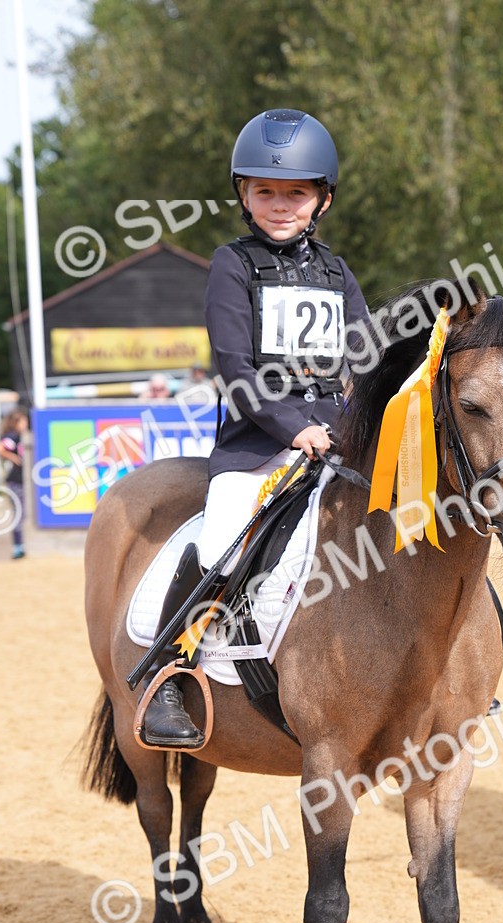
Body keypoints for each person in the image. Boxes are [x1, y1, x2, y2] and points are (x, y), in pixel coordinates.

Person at [139, 108, 370, 746]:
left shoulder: (336, 272)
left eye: (295, 192)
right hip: (257, 447)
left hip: (338, 442)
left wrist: (358, 420)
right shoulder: (232, 264)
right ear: (244, 194)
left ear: (322, 199)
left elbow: (364, 358)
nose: (279, 204)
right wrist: (295, 428)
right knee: (218, 543)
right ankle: (169, 673)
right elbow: (235, 367)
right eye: (264, 191)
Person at [0, 407, 29, 560]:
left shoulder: (18, 436)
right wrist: (12, 457)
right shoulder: (13, 436)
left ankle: (19, 546)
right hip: (15, 480)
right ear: (16, 422)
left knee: (20, 514)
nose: (26, 424)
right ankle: (17, 547)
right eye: (23, 421)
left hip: (18, 481)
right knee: (18, 514)